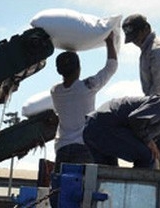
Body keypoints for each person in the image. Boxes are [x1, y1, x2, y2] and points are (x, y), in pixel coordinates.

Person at [121, 14, 160, 169]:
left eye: (136, 36)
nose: (135, 41)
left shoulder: (157, 51)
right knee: (156, 157)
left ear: (146, 29)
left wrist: (148, 118)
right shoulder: (147, 51)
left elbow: (158, 91)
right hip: (158, 114)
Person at [50, 32, 118, 172]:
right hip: (83, 147)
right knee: (82, 188)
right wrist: (110, 42)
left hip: (62, 148)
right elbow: (111, 67)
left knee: (60, 188)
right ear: (79, 68)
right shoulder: (87, 86)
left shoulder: (55, 91)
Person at [82, 92, 160, 170]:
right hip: (102, 126)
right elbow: (136, 119)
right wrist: (148, 141)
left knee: (109, 175)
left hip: (94, 129)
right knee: (147, 155)